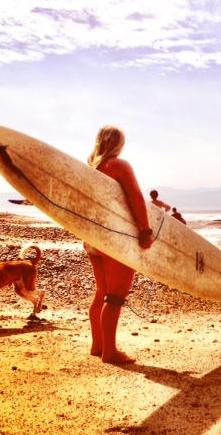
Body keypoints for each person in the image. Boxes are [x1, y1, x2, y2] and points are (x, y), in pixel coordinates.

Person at [85, 126, 154, 364]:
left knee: (101, 292)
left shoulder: (89, 166)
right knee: (115, 296)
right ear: (118, 144)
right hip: (115, 240)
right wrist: (145, 231)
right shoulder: (119, 165)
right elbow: (136, 197)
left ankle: (98, 345)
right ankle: (110, 352)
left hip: (93, 239)